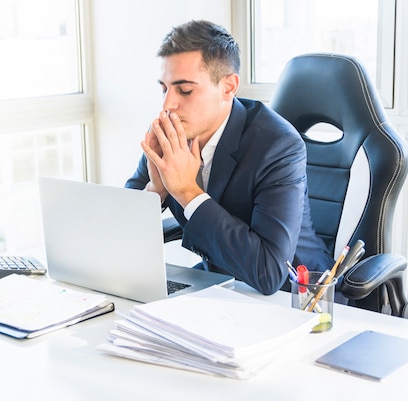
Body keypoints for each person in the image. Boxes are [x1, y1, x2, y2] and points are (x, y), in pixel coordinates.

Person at [125, 20, 332, 295]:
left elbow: (269, 272)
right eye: (164, 88)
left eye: (185, 90)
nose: (167, 105)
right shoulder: (170, 133)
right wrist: (156, 192)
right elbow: (121, 234)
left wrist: (186, 191)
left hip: (295, 297)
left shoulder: (278, 146)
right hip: (221, 289)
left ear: (228, 87)